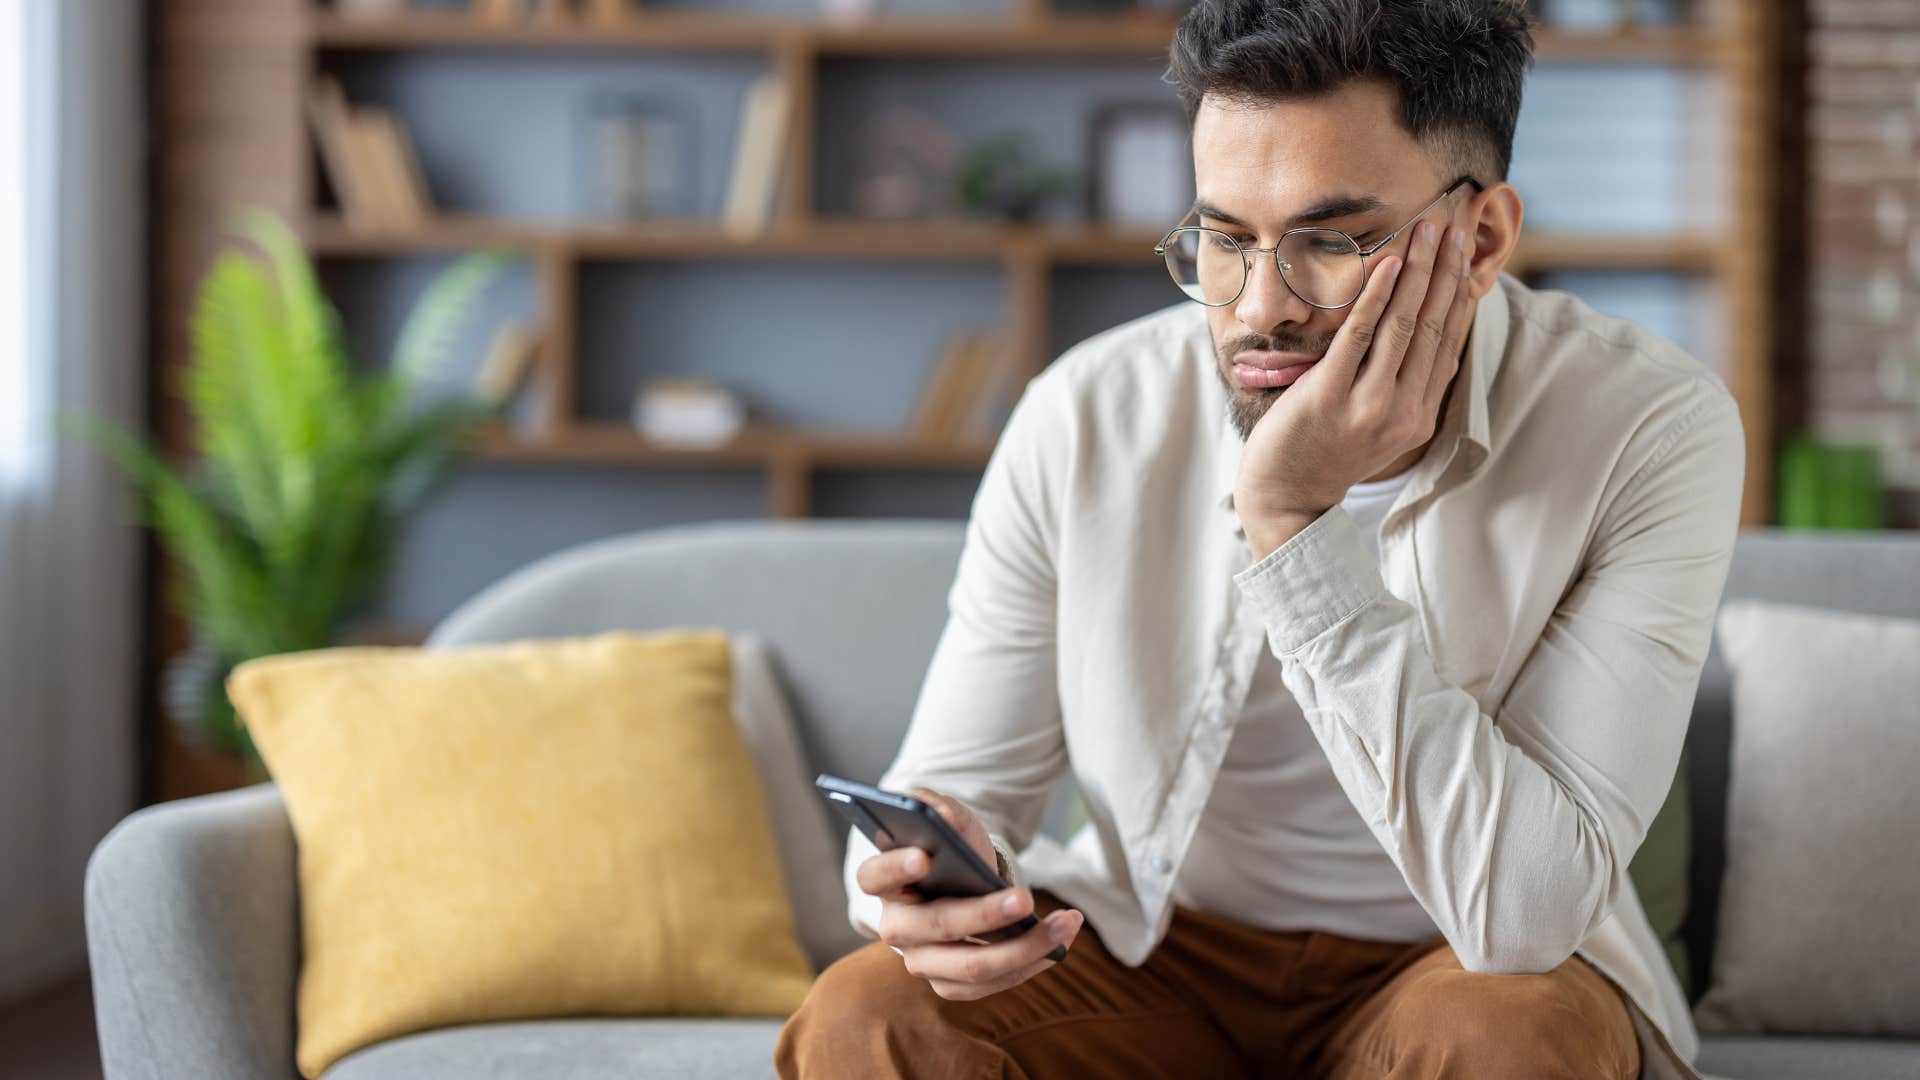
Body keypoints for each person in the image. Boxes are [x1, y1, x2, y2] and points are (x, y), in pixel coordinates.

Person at [776, 0, 1744, 1076]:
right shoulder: (1086, 415)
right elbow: (954, 791)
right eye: (1226, 239)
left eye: (1331, 242)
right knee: (866, 1015)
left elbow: (1522, 918)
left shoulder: (1646, 427)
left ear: (1480, 242)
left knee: (1508, 1038)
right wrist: (926, 896)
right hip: (1157, 951)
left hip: (1454, 962)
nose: (1259, 309)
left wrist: (1291, 518)